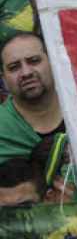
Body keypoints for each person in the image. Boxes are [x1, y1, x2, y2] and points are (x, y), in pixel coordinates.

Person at [0, 34, 63, 166]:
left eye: (34, 61)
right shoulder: (3, 128)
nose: (26, 73)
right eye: (14, 67)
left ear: (53, 61)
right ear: (4, 78)